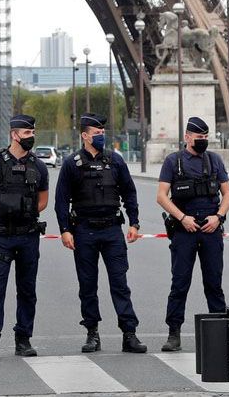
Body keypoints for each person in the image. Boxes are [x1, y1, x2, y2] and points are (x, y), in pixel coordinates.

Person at [54, 113, 148, 354]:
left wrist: (134, 223)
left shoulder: (115, 161)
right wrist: (65, 230)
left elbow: (129, 193)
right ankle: (92, 333)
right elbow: (61, 200)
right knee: (87, 285)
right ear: (84, 136)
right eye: (96, 133)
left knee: (120, 283)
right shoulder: (71, 163)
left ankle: (129, 334)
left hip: (111, 230)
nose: (101, 136)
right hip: (84, 230)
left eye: (102, 133)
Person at [0, 114, 50, 360]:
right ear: (14, 135)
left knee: (27, 290)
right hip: (1, 237)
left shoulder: (38, 166)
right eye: (27, 134)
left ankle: (23, 339)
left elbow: (43, 200)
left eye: (33, 133)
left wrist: (24, 214)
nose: (31, 137)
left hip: (28, 236)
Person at [156, 116, 229, 352]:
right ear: (187, 137)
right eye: (198, 138)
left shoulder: (214, 160)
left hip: (210, 228)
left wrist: (218, 217)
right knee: (179, 283)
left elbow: (228, 194)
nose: (202, 141)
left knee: (214, 283)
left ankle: (220, 334)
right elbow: (161, 196)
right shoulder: (173, 162)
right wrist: (182, 218)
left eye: (205, 138)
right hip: (184, 229)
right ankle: (174, 334)